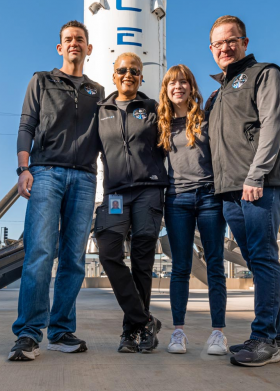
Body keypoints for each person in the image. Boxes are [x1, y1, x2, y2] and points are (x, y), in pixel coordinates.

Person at [9, 20, 105, 361]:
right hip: (46, 173)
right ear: (60, 48)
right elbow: (26, 126)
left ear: (89, 48)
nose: (74, 43)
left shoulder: (97, 91)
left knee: (74, 260)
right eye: (68, 39)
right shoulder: (42, 80)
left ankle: (62, 330)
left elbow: (105, 139)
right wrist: (24, 169)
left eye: (80, 39)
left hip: (84, 179)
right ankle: (29, 333)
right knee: (40, 253)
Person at [205, 15, 280, 367]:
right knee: (259, 263)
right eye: (217, 44)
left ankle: (263, 339)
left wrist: (256, 175)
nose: (224, 48)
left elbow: (273, 124)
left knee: (263, 258)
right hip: (229, 190)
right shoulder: (219, 92)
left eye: (231, 40)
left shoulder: (265, 73)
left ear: (244, 41)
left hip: (259, 185)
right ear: (211, 49)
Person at [95, 52, 168, 354]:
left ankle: (131, 332)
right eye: (122, 70)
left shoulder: (152, 109)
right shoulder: (99, 111)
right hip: (114, 193)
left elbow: (172, 145)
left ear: (141, 77)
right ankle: (145, 321)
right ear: (113, 75)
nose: (128, 74)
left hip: (148, 190)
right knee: (109, 252)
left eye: (135, 71)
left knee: (142, 260)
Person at [156, 64, 228, 355]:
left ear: (191, 87)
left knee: (214, 265)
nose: (179, 87)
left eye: (184, 82)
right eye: (173, 83)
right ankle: (178, 332)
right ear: (166, 89)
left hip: (209, 197)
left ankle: (218, 334)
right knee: (181, 267)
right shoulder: (161, 124)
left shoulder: (206, 119)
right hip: (177, 200)